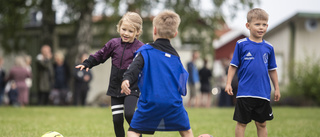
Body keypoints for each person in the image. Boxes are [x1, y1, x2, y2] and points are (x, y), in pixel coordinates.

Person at [121, 10, 194, 137]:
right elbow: (182, 81)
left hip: (150, 102)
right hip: (173, 103)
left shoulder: (145, 51)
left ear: (154, 30)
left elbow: (133, 68)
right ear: (175, 34)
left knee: (133, 131)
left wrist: (126, 79)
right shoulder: (176, 57)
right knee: (186, 130)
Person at [75, 12, 144, 137]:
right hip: (115, 88)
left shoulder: (140, 48)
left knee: (129, 114)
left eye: (130, 31)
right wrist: (87, 63)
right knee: (117, 120)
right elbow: (100, 55)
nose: (126, 33)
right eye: (123, 29)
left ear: (137, 32)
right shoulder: (113, 44)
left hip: (131, 88)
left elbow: (144, 67)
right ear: (119, 28)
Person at [224, 8, 280, 137]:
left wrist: (276, 88)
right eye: (257, 24)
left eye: (264, 24)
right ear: (248, 26)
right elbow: (233, 66)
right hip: (245, 92)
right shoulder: (241, 44)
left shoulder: (269, 47)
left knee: (262, 124)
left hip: (263, 93)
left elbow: (272, 69)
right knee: (241, 123)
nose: (261, 28)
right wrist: (228, 83)